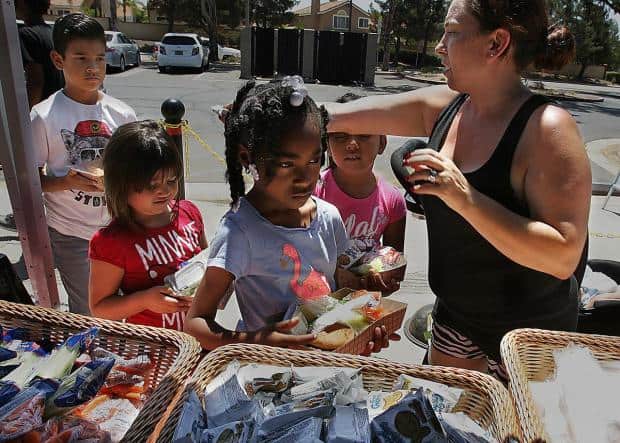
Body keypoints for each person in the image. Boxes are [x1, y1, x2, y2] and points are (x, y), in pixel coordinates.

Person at [325, 0, 590, 380]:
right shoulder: (447, 106)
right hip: (457, 317)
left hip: (527, 337)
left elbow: (563, 255)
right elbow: (344, 113)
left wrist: (463, 198)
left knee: (513, 433)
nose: (438, 45)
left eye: (451, 31)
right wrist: (286, 107)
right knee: (446, 421)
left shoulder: (547, 128)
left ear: (496, 43)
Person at [185, 79, 392, 354]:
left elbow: (341, 291)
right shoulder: (240, 232)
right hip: (268, 375)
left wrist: (364, 320)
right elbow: (197, 324)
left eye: (313, 160)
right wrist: (257, 340)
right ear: (247, 158)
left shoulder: (328, 217)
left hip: (326, 369)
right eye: (286, 164)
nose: (304, 178)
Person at [32, 13, 137, 314]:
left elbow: (135, 172)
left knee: (128, 306)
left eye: (100, 59)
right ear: (58, 59)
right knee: (89, 311)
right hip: (72, 233)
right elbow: (31, 181)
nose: (93, 68)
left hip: (119, 227)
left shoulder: (123, 114)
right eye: (81, 58)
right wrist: (66, 182)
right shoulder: (44, 116)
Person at [89, 121, 205, 331]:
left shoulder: (190, 213)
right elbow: (100, 308)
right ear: (121, 186)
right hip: (154, 351)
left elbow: (208, 267)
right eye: (152, 185)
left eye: (172, 180)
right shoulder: (112, 242)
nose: (165, 191)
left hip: (199, 340)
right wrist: (144, 301)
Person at [314, 92, 406, 293]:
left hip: (364, 306)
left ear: (382, 143)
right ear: (327, 145)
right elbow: (293, 255)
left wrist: (383, 279)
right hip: (316, 302)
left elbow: (396, 265)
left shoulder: (393, 200)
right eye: (340, 136)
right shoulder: (313, 192)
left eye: (364, 135)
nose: (352, 144)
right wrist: (335, 274)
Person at [1, 0, 65, 232]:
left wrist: (25, 118)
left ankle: (30, 218)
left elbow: (35, 79)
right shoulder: (52, 33)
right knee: (53, 168)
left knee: (30, 172)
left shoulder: (25, 34)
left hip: (42, 113)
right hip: (59, 109)